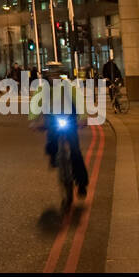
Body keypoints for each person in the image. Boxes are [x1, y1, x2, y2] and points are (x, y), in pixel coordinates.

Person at [30, 68, 89, 198]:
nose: (54, 77)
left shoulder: (69, 86)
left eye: (57, 74)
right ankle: (53, 156)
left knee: (75, 151)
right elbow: (35, 104)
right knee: (51, 142)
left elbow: (79, 101)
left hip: (69, 119)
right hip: (53, 120)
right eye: (52, 75)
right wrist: (34, 121)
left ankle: (81, 184)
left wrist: (83, 117)